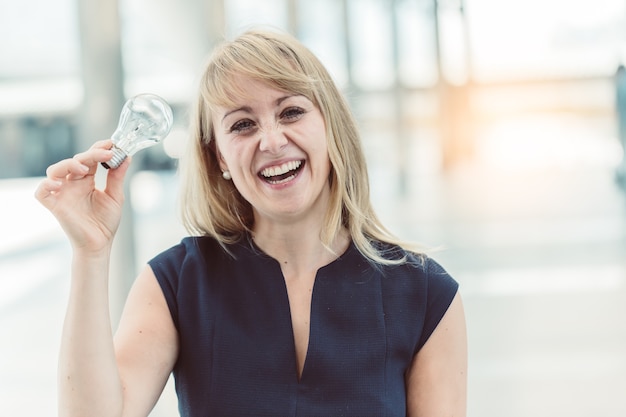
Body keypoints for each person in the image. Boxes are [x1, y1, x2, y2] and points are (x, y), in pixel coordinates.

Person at [35, 29, 467, 417]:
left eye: (292, 112)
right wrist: (90, 254)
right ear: (220, 157)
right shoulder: (177, 283)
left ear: (330, 125)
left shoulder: (426, 294)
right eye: (243, 125)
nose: (273, 141)